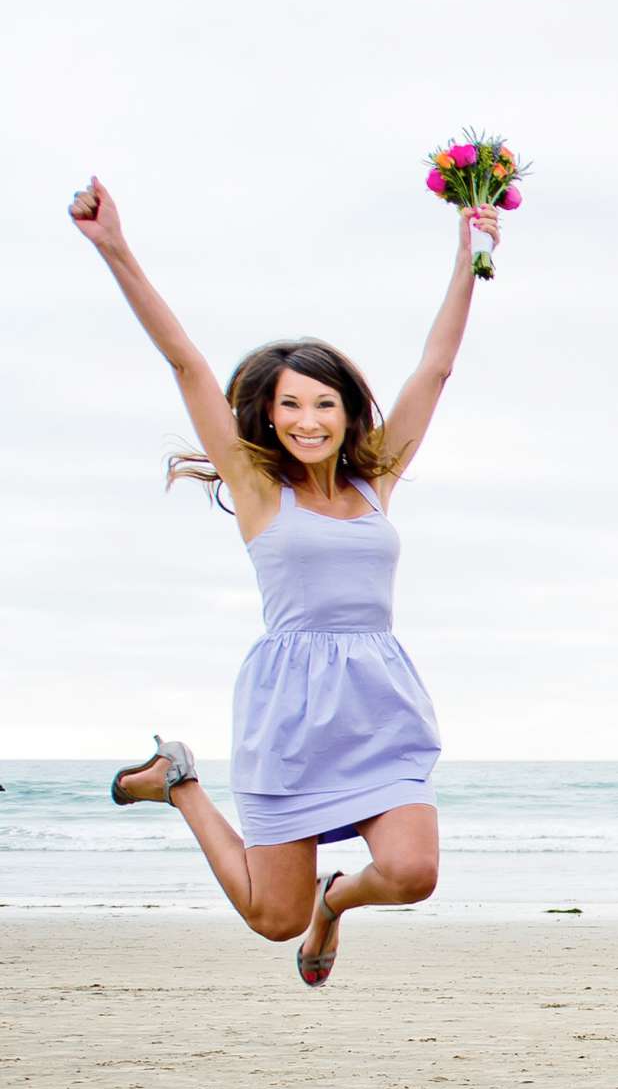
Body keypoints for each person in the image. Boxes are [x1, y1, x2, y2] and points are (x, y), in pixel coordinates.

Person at [71, 176, 492, 988]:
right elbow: (186, 361)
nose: (308, 419)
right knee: (272, 918)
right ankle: (181, 785)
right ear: (267, 415)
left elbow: (435, 370)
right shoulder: (261, 491)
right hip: (291, 707)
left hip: (377, 700)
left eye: (324, 403)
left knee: (412, 871)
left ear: (346, 412)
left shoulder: (377, 483)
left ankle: (336, 902)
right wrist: (116, 249)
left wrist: (467, 258)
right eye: (290, 405)